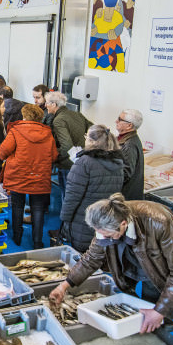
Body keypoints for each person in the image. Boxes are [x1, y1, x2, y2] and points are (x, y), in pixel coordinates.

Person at [49, 194, 173, 345]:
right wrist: (65, 285)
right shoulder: (106, 224)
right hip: (152, 273)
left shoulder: (159, 221)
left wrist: (160, 311)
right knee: (154, 322)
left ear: (123, 224)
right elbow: (92, 258)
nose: (104, 238)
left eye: (109, 235)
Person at [0, 104, 58, 248]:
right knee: (37, 208)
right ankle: (38, 241)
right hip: (40, 175)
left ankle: (17, 237)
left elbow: (2, 152)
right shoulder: (47, 133)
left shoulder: (16, 131)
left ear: (24, 116)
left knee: (17, 206)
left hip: (18, 174)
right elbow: (54, 156)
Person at [59, 124, 124, 252]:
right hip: (105, 220)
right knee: (97, 255)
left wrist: (64, 220)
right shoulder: (118, 163)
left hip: (83, 220)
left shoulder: (84, 163)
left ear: (92, 141)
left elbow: (72, 196)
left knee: (81, 259)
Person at [45, 91, 92, 197]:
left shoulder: (58, 120)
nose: (45, 105)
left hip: (67, 164)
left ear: (54, 104)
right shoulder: (77, 115)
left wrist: (55, 157)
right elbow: (94, 130)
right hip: (81, 161)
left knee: (67, 196)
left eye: (47, 103)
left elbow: (66, 145)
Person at [117, 109, 145, 200]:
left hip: (125, 197)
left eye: (119, 119)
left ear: (129, 125)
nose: (116, 121)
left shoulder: (129, 145)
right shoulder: (123, 139)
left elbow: (125, 173)